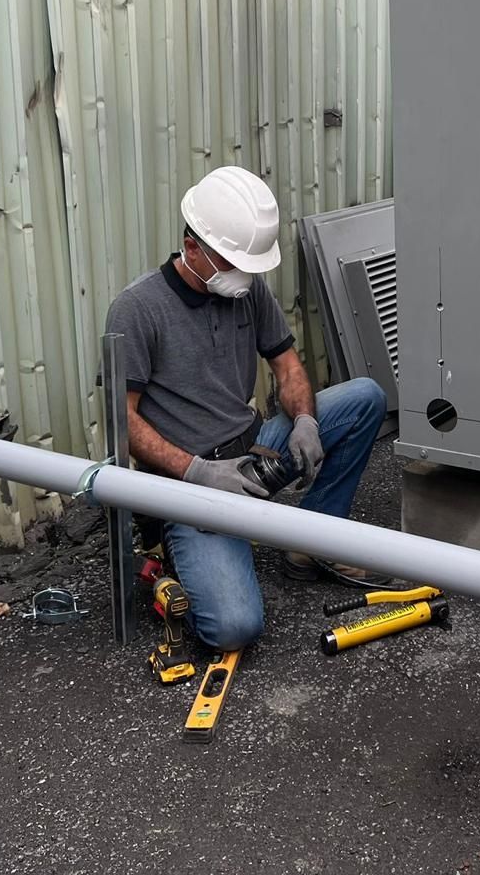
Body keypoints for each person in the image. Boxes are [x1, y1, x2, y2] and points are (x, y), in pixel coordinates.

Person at [104, 166, 390, 653]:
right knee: (235, 628)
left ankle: (312, 544)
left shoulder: (246, 289)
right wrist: (197, 472)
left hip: (255, 450)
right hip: (190, 486)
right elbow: (121, 422)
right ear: (191, 246)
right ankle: (180, 552)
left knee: (365, 397)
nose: (243, 276)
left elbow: (287, 366)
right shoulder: (137, 309)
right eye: (230, 262)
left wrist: (303, 420)